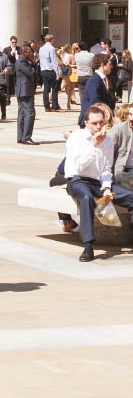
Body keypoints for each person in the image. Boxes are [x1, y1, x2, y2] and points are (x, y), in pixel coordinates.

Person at [63, 102, 133, 262]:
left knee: (130, 196)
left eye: (101, 122)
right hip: (77, 180)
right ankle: (88, 246)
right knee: (86, 198)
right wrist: (94, 145)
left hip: (98, 182)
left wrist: (107, 187)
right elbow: (79, 166)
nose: (98, 126)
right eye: (94, 123)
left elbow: (106, 169)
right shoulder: (77, 137)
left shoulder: (107, 141)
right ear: (86, 123)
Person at [78, 52, 117, 127]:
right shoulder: (94, 80)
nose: (111, 67)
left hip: (101, 119)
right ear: (102, 65)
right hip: (91, 120)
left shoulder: (105, 79)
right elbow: (95, 101)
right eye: (109, 64)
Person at [15, 42, 39, 145]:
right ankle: (26, 137)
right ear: (25, 52)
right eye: (30, 52)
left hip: (23, 90)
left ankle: (21, 137)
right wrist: (34, 63)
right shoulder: (22, 61)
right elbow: (31, 73)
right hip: (25, 90)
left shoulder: (22, 61)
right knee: (30, 113)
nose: (32, 53)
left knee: (22, 114)